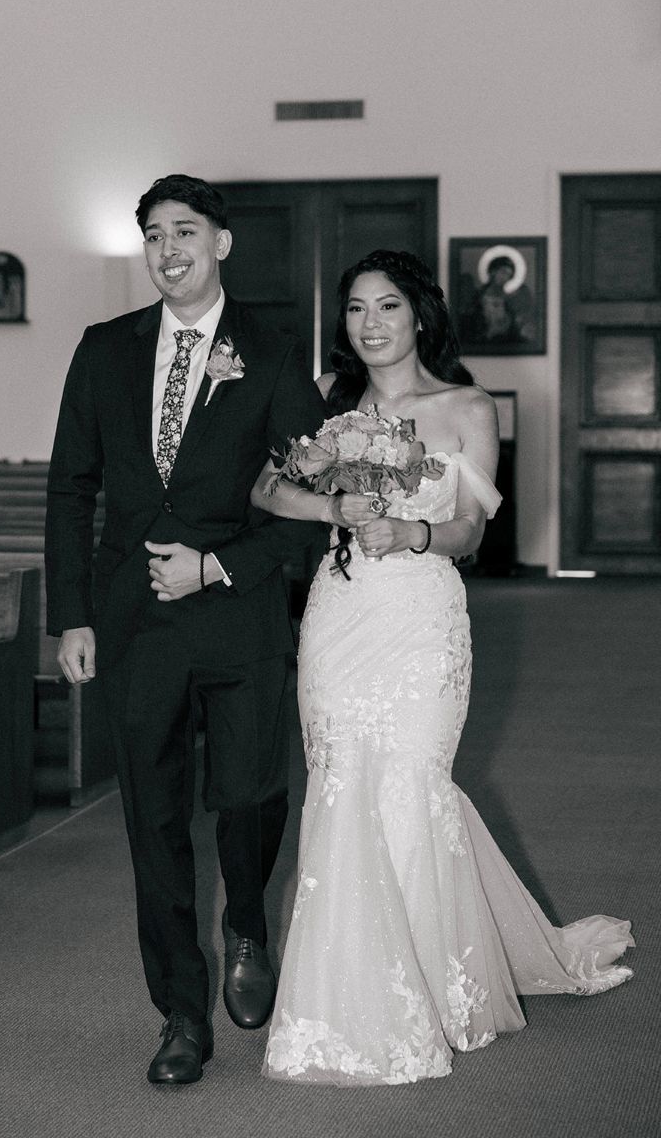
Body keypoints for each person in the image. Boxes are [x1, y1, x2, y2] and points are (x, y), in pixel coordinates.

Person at [250, 249, 634, 1086]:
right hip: (341, 616)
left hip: (422, 616)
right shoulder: (327, 402)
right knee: (344, 782)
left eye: (387, 306)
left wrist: (414, 532)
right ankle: (347, 997)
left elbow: (471, 532)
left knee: (412, 778)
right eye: (355, 309)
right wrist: (334, 506)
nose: (371, 324)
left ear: (418, 315)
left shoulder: (468, 407)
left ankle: (432, 979)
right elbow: (265, 489)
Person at [44, 174, 327, 1085]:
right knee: (154, 823)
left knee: (247, 797)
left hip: (238, 615)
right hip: (136, 626)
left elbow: (312, 504)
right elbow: (70, 488)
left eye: (187, 233)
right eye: (155, 236)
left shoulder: (274, 355)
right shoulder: (103, 350)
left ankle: (246, 915)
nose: (170, 251)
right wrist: (74, 615)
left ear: (222, 243)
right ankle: (179, 1015)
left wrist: (215, 564)